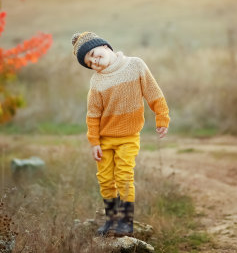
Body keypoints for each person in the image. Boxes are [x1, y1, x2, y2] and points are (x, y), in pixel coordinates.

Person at [71, 32, 170, 237]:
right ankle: (111, 219)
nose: (95, 62)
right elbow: (93, 115)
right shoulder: (97, 82)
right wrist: (94, 142)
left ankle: (126, 221)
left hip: (128, 137)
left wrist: (162, 117)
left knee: (124, 176)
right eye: (90, 63)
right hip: (105, 139)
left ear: (106, 47)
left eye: (94, 54)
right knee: (106, 180)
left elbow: (153, 92)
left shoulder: (135, 65)